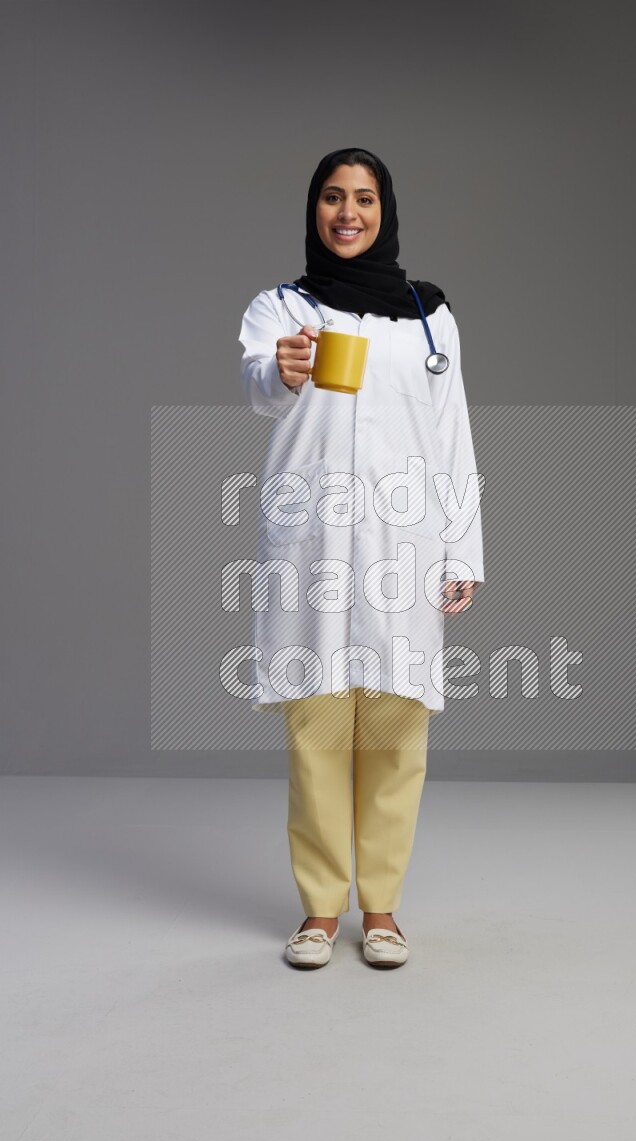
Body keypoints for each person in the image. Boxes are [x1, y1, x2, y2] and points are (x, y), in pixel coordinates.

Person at [238, 147, 485, 969]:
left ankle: (380, 910)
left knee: (392, 727)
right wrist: (282, 369)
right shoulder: (281, 307)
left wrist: (462, 546)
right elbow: (260, 387)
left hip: (401, 544)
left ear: (386, 211)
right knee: (315, 727)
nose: (349, 213)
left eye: (365, 199)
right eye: (334, 198)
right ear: (313, 210)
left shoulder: (427, 315)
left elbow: (452, 435)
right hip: (313, 543)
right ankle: (318, 911)